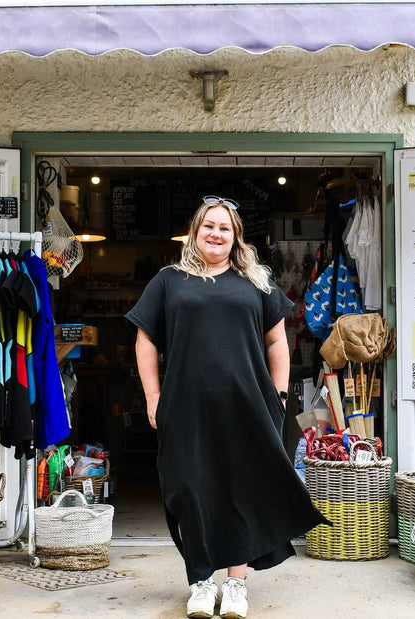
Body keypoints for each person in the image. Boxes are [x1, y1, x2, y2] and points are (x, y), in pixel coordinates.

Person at [126, 197, 328, 619]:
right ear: (195, 232)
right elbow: (145, 340)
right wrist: (153, 396)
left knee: (242, 490)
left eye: (224, 228)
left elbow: (277, 341)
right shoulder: (169, 281)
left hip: (248, 406)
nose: (215, 234)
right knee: (188, 491)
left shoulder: (255, 282)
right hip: (184, 408)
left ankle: (236, 583)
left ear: (236, 236)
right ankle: (201, 581)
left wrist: (278, 394)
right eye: (208, 226)